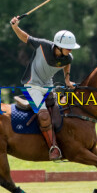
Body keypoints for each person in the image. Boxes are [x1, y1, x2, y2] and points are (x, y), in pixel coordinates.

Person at [10, 16, 80, 160]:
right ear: (58, 45)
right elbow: (25, 38)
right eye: (68, 48)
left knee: (59, 113)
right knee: (43, 115)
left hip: (48, 87)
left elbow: (67, 64)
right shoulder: (43, 45)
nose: (70, 50)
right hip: (31, 86)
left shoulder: (68, 58)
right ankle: (53, 148)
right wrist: (15, 27)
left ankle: (64, 143)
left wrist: (67, 80)